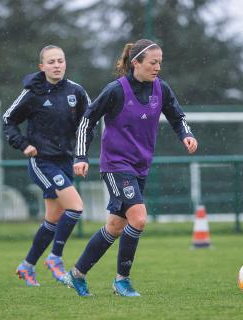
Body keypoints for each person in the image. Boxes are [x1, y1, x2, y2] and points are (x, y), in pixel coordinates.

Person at [66, 39, 198, 296]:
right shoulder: (116, 90)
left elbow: (176, 115)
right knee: (138, 218)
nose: (158, 67)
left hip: (140, 166)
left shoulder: (162, 89)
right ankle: (121, 280)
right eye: (152, 62)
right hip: (116, 165)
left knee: (115, 226)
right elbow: (87, 121)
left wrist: (186, 134)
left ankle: (77, 274)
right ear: (136, 62)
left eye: (160, 62)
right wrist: (80, 156)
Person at [2, 45, 91, 287]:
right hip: (42, 162)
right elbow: (9, 119)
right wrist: (22, 144)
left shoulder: (77, 91)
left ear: (65, 63)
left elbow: (87, 125)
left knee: (53, 219)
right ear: (42, 67)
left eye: (60, 60)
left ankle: (27, 266)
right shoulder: (33, 92)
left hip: (65, 161)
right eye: (51, 62)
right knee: (75, 207)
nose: (57, 65)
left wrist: (81, 156)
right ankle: (55, 258)